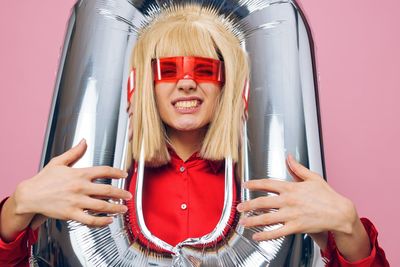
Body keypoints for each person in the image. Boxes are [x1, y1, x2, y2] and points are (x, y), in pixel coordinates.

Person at [0, 4, 389, 267]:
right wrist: (16, 209)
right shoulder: (91, 183)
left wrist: (350, 229)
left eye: (203, 70)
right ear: (142, 85)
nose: (186, 83)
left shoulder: (270, 189)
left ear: (228, 84)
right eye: (168, 70)